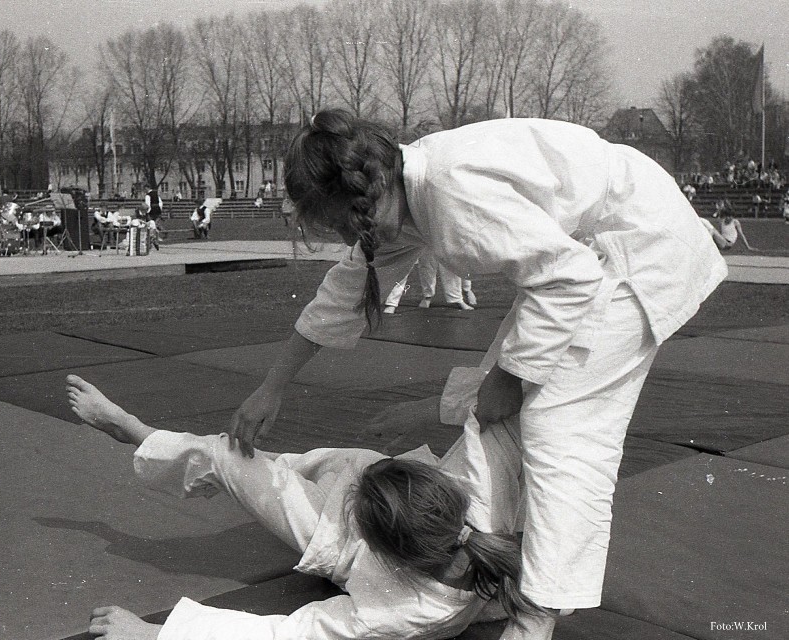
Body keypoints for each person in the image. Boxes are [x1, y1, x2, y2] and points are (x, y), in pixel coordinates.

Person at [228, 109, 727, 639]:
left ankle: (535, 618)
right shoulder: (397, 191)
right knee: (509, 388)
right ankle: (509, 563)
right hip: (595, 248)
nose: (341, 235)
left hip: (639, 247)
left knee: (562, 429)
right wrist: (271, 386)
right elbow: (347, 289)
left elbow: (569, 279)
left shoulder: (450, 195)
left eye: (335, 223)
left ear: (357, 198)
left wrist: (510, 380)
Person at [65, 374, 547, 640]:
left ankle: (136, 432)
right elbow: (506, 400)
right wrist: (426, 408)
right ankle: (304, 470)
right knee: (346, 462)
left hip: (337, 546)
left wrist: (154, 637)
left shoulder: (400, 612)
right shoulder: (483, 485)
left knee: (232, 457)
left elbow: (286, 635)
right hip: (390, 502)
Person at [384, 252, 475, 313]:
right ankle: (393, 303)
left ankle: (458, 298)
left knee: (449, 264)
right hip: (423, 231)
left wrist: (467, 288)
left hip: (441, 230)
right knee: (425, 264)